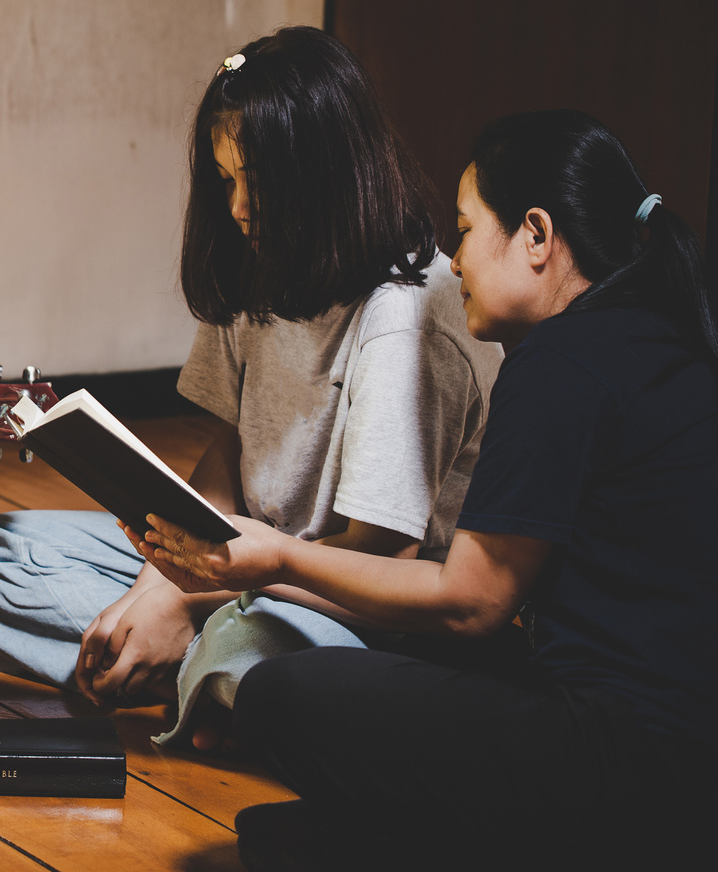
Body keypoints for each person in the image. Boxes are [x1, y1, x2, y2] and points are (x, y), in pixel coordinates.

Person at [135, 110, 717, 870]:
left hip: (621, 762)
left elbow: (471, 603)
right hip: (669, 757)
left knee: (283, 698)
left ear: (535, 237)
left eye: (467, 230)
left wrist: (277, 556)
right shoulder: (653, 334)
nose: (454, 261)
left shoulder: (559, 362)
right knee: (287, 827)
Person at [0, 27, 502, 740]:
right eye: (225, 179)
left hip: (348, 602)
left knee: (254, 654)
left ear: (328, 171)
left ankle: (193, 664)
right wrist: (160, 580)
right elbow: (229, 447)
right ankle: (186, 670)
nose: (238, 209)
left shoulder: (403, 317)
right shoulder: (261, 263)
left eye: (259, 183)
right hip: (237, 561)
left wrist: (193, 597)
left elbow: (377, 563)